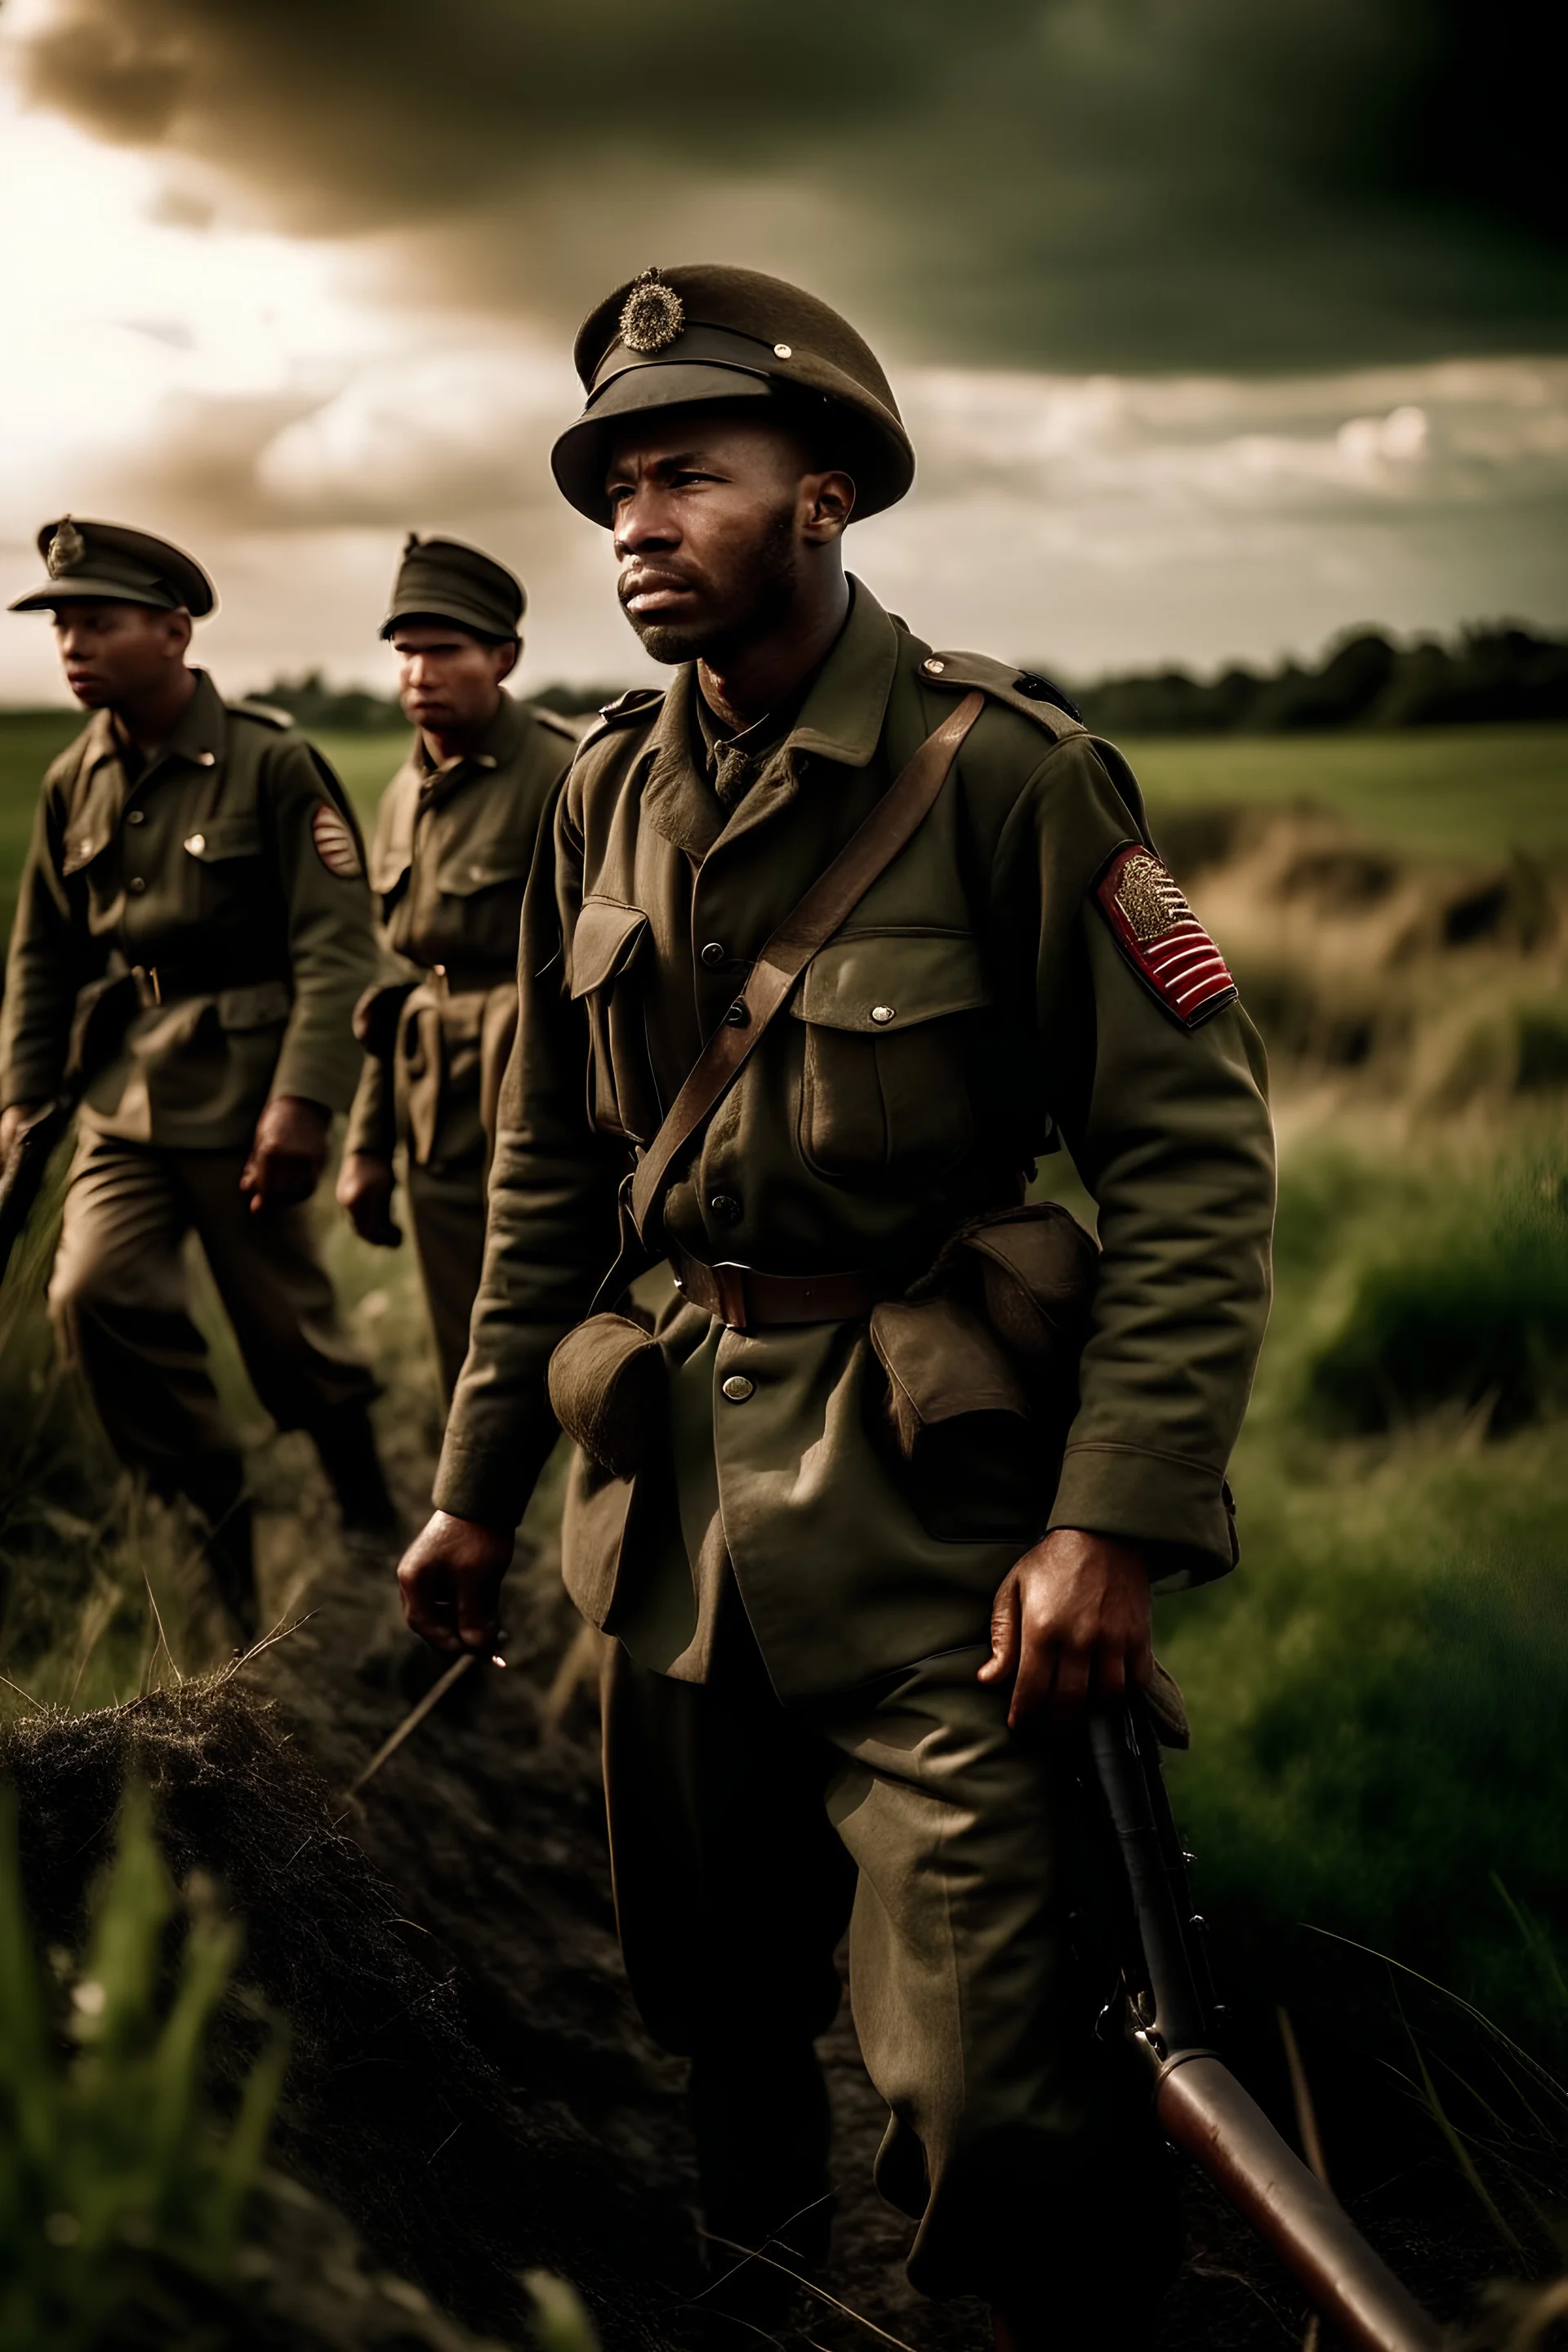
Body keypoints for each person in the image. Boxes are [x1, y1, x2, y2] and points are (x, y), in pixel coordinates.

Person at [395, 268, 1276, 2346]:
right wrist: (471, 1488)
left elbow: (1189, 1159)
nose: (633, 521)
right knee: (711, 2024)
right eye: (614, 484)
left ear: (825, 497)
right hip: (667, 1510)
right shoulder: (602, 793)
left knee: (999, 2099)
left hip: (934, 1537)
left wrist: (1113, 1523)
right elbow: (548, 1173)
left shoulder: (1007, 773)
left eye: (687, 471)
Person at [0, 518, 390, 1638]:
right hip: (129, 1094)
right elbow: (44, 956)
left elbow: (335, 943)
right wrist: (24, 1099)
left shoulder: (269, 762)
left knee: (290, 1340)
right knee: (94, 1296)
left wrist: (304, 1102)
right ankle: (222, 1536)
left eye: (98, 622)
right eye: (61, 624)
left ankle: (370, 1524)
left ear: (175, 632)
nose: (73, 644)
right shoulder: (75, 778)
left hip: (250, 1089)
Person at [336, 536, 578, 1399]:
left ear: (503, 658)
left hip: (543, 1076)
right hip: (431, 1087)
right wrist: (367, 1143)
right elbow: (397, 988)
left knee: (571, 1317)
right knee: (460, 1328)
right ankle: (475, 1500)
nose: (419, 673)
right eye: (406, 652)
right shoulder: (402, 795)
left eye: (445, 650)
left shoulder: (564, 774)